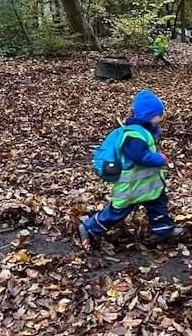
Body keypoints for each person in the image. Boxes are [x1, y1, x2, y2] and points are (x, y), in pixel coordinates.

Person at [78, 88, 182, 247]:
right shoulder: (134, 135)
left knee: (158, 203)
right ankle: (89, 228)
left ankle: (163, 230)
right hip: (132, 187)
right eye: (159, 114)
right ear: (149, 116)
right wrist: (159, 159)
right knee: (117, 213)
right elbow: (140, 157)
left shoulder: (142, 132)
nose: (161, 118)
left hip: (147, 185)